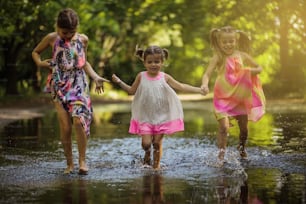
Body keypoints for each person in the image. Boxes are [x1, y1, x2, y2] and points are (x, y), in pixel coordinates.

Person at [32, 8, 109, 175]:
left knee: (78, 121)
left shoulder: (83, 40)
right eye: (64, 32)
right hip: (59, 84)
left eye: (71, 32)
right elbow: (35, 52)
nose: (67, 35)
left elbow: (84, 63)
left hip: (79, 83)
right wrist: (40, 63)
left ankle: (82, 162)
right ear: (57, 27)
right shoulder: (51, 38)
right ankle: (69, 164)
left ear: (78, 28)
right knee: (65, 127)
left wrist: (95, 77)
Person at [112, 45, 204, 169]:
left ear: (162, 62)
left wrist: (199, 90)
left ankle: (156, 167)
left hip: (162, 116)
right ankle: (147, 153)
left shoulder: (164, 77)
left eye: (157, 62)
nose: (153, 65)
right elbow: (131, 91)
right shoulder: (141, 76)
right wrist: (119, 82)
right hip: (146, 116)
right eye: (150, 62)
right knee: (146, 144)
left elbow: (181, 86)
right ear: (144, 62)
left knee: (156, 143)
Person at [201, 26, 265, 161]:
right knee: (223, 127)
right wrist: (204, 84)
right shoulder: (218, 56)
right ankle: (221, 155)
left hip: (239, 96)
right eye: (224, 42)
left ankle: (241, 148)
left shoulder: (242, 55)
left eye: (231, 41)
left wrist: (249, 71)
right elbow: (207, 73)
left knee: (244, 129)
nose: (228, 44)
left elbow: (259, 68)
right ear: (219, 42)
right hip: (222, 96)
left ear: (236, 41)